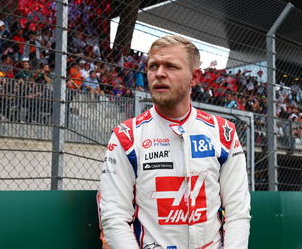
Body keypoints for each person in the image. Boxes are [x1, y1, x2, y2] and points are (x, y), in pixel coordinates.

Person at [98, 35, 251, 249]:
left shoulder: (223, 132)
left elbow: (237, 213)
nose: (159, 73)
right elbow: (114, 216)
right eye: (153, 66)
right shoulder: (126, 136)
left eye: (171, 66)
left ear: (195, 77)